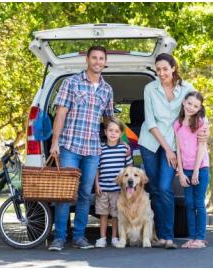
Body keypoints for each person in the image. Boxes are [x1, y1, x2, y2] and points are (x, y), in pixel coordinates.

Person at [138, 53, 208, 249]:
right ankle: (162, 236)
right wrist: (166, 148)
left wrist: (205, 130)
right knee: (156, 190)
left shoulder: (187, 88)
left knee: (164, 186)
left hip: (175, 145)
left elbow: (201, 110)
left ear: (173, 68)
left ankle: (168, 236)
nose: (161, 73)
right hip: (150, 142)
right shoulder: (149, 88)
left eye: (165, 69)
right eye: (158, 69)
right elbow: (150, 121)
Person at [48, 46, 114, 251]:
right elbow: (60, 113)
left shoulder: (107, 89)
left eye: (101, 58)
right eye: (94, 57)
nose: (97, 61)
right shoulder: (72, 83)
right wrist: (54, 142)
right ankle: (59, 237)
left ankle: (79, 237)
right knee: (66, 193)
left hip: (93, 149)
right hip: (70, 146)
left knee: (85, 193)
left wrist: (119, 142)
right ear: (87, 59)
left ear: (105, 62)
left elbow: (109, 119)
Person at [174, 91, 210, 249]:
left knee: (198, 203)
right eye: (189, 103)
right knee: (188, 204)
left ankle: (200, 238)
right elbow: (178, 150)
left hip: (200, 168)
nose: (191, 107)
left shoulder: (201, 123)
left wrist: (195, 171)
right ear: (183, 102)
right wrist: (181, 172)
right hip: (185, 170)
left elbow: (202, 147)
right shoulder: (177, 124)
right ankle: (192, 237)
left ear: (200, 108)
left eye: (196, 106)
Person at [94, 117, 133, 248]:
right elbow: (97, 169)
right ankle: (102, 238)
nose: (113, 133)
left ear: (121, 134)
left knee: (116, 215)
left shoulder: (124, 149)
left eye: (116, 131)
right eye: (110, 130)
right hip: (103, 188)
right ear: (105, 132)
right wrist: (97, 184)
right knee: (103, 214)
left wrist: (127, 188)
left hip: (118, 190)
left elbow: (129, 169)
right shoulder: (101, 149)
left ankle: (115, 237)